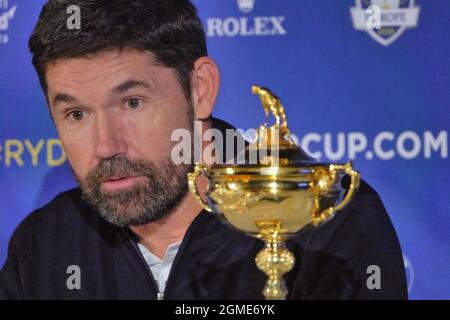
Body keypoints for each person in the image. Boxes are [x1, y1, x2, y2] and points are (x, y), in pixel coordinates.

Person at [0, 0, 407, 299]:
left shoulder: (326, 216)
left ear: (200, 89)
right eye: (76, 114)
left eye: (132, 103)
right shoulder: (42, 247)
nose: (106, 146)